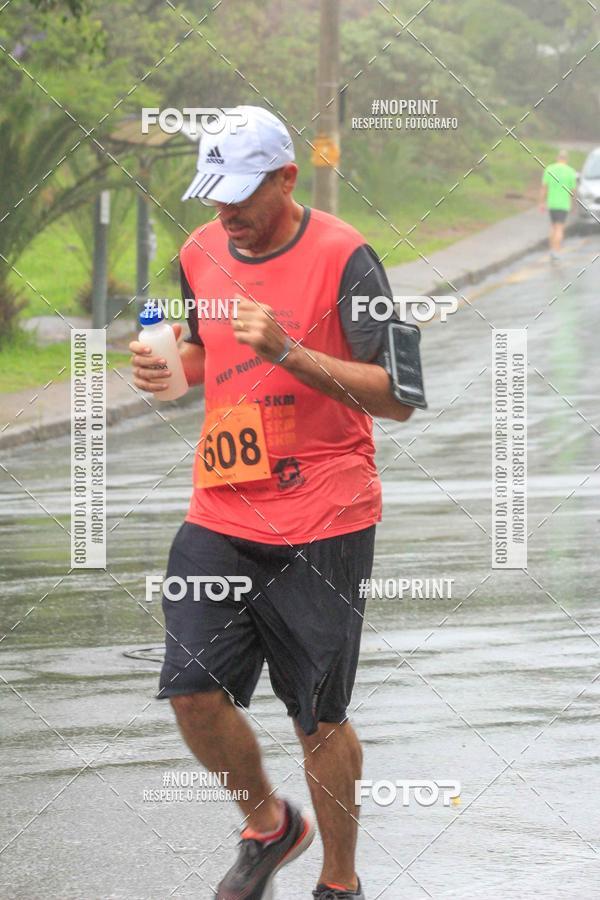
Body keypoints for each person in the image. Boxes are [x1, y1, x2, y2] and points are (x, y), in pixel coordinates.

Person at [130, 105, 417, 900]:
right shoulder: (199, 251)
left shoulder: (346, 256)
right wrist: (172, 370)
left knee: (316, 714)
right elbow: (202, 350)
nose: (227, 215)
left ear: (287, 179)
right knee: (190, 689)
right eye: (215, 198)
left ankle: (339, 883)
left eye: (243, 197)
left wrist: (289, 351)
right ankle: (269, 824)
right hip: (221, 508)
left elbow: (399, 395)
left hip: (325, 512)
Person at [539, 149, 578, 260]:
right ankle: (556, 251)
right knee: (559, 228)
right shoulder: (571, 171)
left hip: (552, 203)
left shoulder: (549, 169)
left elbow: (544, 188)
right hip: (563, 204)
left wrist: (541, 202)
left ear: (557, 158)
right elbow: (573, 191)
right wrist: (574, 204)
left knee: (552, 226)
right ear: (566, 159)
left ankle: (552, 250)